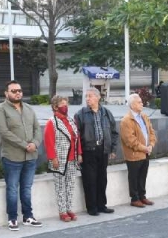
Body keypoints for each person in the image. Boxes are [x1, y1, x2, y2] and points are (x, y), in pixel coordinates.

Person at [0, 80, 42, 230]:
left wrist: (35, 143)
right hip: (12, 157)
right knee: (12, 188)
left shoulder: (28, 109)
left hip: (31, 157)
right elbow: (4, 133)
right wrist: (25, 145)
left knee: (26, 188)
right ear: (6, 93)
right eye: (13, 91)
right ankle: (12, 219)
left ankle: (28, 216)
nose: (17, 93)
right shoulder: (0, 110)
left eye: (19, 90)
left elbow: (37, 129)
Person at [75, 87, 119, 216]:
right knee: (90, 180)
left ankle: (102, 205)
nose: (88, 99)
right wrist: (79, 154)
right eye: (86, 96)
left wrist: (112, 149)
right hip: (88, 151)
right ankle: (92, 207)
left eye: (90, 96)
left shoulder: (106, 113)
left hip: (103, 150)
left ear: (98, 97)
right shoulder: (81, 114)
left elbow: (114, 132)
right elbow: (77, 136)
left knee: (102, 179)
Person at [44, 95, 81, 222]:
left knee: (70, 185)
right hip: (59, 160)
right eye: (62, 104)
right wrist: (53, 158)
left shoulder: (71, 120)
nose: (65, 106)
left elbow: (77, 138)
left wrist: (79, 153)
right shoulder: (52, 122)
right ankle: (62, 211)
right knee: (60, 187)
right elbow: (49, 142)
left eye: (66, 104)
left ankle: (69, 208)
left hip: (72, 159)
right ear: (55, 107)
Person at [120, 93, 157, 208]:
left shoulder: (144, 116)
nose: (142, 104)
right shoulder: (126, 120)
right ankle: (134, 198)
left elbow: (151, 132)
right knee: (134, 177)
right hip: (134, 154)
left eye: (141, 102)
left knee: (142, 176)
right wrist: (144, 148)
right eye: (139, 102)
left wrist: (151, 145)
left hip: (146, 152)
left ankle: (142, 196)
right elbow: (130, 140)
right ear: (132, 105)